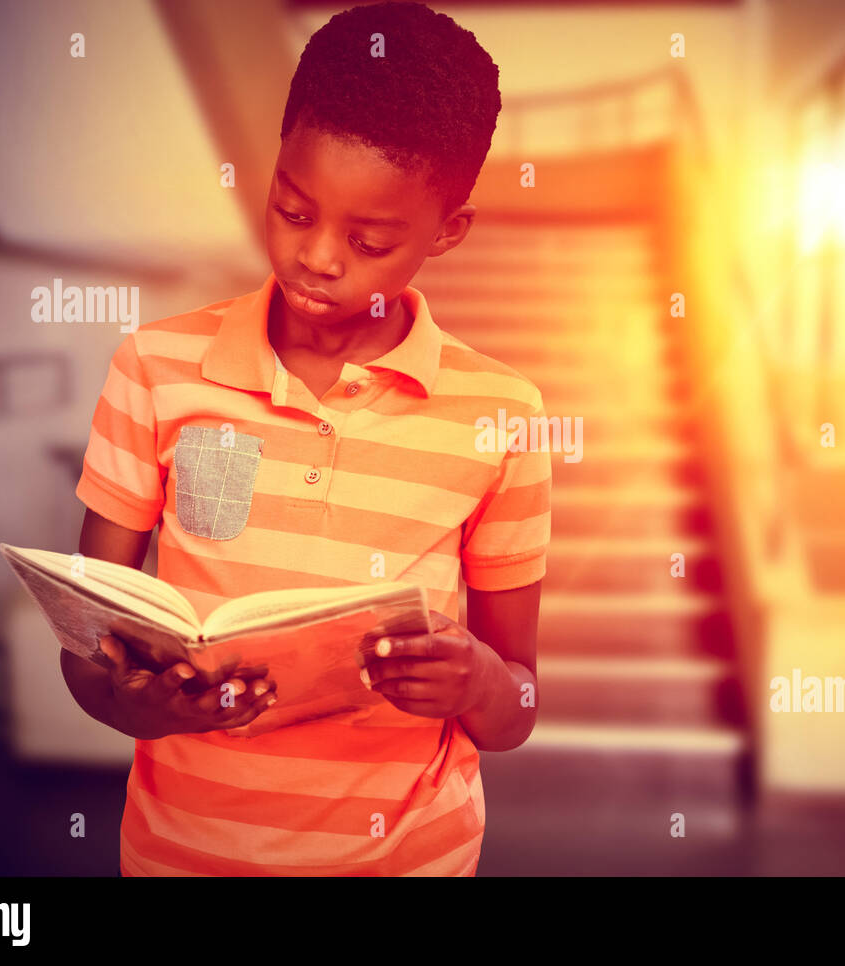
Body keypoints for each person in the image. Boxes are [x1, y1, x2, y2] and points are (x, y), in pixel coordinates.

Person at [60, 1, 549, 876]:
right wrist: (149, 704)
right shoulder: (155, 367)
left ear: (448, 232)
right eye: (292, 210)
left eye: (367, 239)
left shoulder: (502, 413)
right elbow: (89, 662)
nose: (317, 257)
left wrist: (476, 680)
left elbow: (517, 704)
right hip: (184, 855)